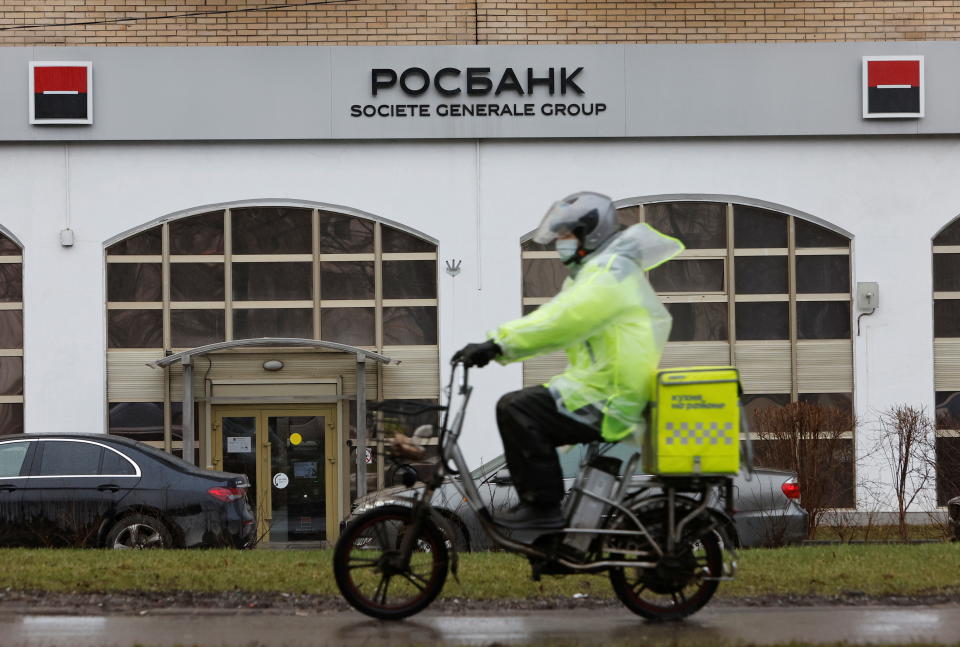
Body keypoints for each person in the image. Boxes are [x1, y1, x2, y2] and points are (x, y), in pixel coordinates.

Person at [455, 191, 683, 529]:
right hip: (603, 390)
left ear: (589, 234)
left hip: (608, 399)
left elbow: (561, 320)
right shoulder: (601, 271)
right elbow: (561, 319)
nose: (559, 243)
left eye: (565, 235)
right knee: (523, 406)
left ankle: (543, 509)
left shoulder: (609, 273)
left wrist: (497, 345)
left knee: (516, 408)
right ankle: (548, 522)